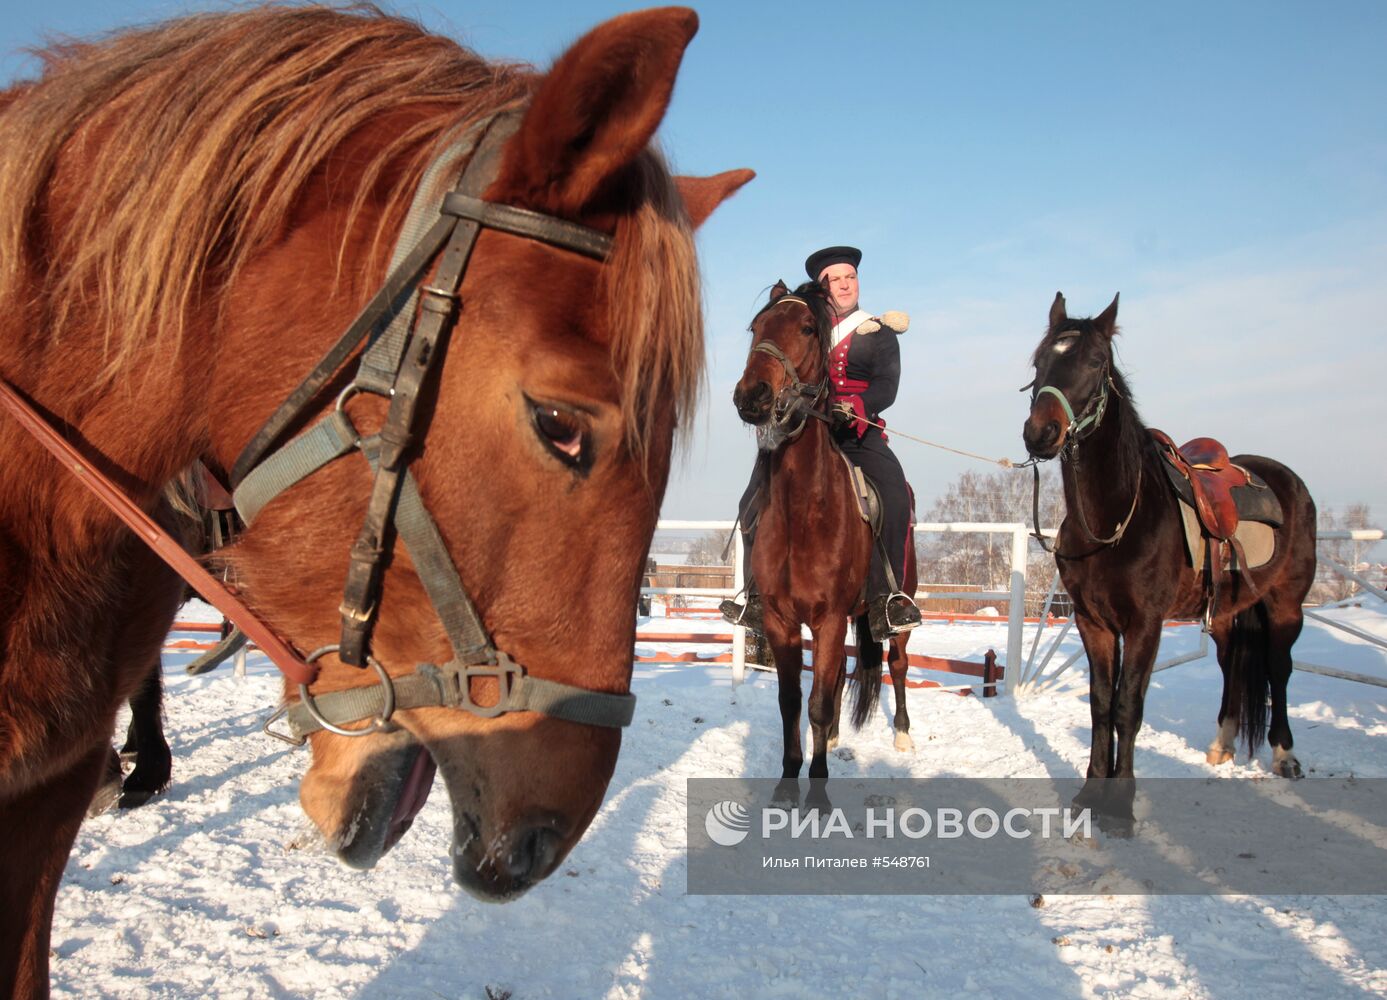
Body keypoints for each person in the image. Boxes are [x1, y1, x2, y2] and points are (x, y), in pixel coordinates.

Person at [721, 245, 922, 642]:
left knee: (897, 496)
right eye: (836, 279)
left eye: (850, 277)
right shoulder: (804, 326)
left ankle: (888, 599)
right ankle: (757, 598)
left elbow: (887, 385)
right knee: (751, 501)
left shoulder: (877, 332)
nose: (845, 285)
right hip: (811, 432)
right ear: (823, 287)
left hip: (858, 434)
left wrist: (858, 404)